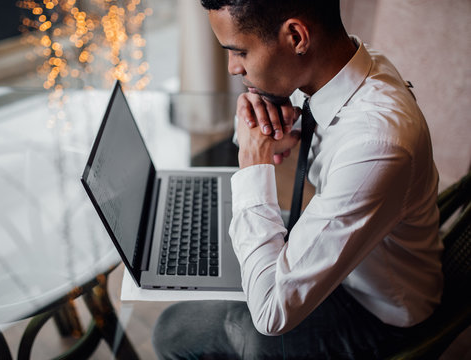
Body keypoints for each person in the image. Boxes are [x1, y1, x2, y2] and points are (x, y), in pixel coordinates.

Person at [152, 0, 443, 358]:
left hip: (378, 312)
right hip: (351, 267)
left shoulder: (376, 143)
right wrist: (256, 119)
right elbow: (276, 130)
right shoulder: (347, 67)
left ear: (295, 36)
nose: (232, 68)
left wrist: (252, 163)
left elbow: (271, 313)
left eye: (239, 51)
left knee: (174, 332)